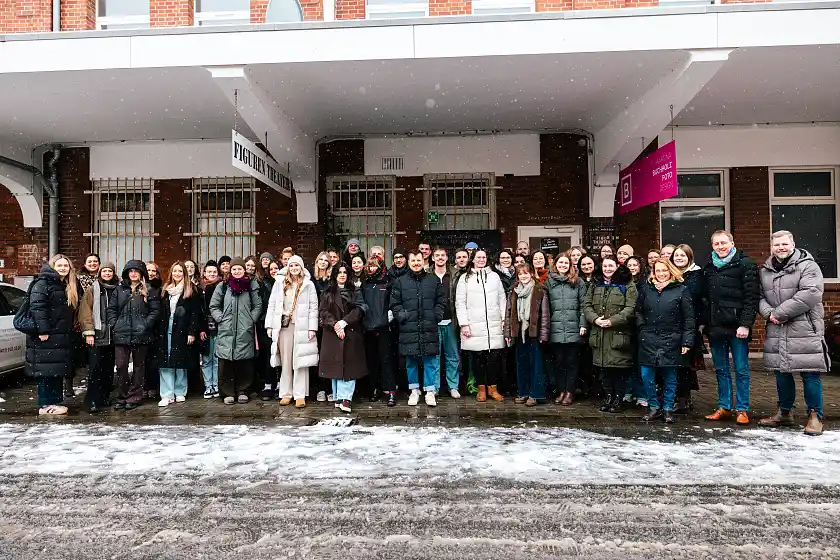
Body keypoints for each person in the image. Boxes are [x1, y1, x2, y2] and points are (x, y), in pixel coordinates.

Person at [758, 231, 828, 436]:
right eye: (777, 244)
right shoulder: (765, 269)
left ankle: (815, 416)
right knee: (782, 373)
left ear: (793, 244)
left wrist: (779, 313)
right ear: (772, 247)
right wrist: (770, 314)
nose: (781, 247)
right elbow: (759, 296)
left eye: (785, 244)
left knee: (810, 372)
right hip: (776, 327)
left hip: (805, 328)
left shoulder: (808, 265)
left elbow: (811, 293)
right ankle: (785, 412)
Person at [702, 230, 759, 425]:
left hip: (737, 328)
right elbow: (705, 298)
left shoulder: (746, 264)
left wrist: (745, 324)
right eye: (716, 244)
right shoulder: (709, 268)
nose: (720, 247)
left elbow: (752, 297)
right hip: (716, 327)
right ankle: (724, 407)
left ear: (732, 242)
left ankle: (742, 409)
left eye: (723, 243)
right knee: (721, 369)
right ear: (712, 246)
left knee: (741, 369)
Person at [636, 259, 695, 423]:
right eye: (658, 271)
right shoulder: (646, 289)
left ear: (671, 271)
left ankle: (668, 408)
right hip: (648, 337)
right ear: (653, 272)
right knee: (646, 375)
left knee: (670, 376)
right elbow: (638, 311)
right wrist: (642, 328)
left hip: (672, 338)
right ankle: (654, 407)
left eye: (664, 271)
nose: (661, 274)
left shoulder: (681, 290)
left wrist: (687, 341)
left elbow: (689, 318)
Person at [25, 254, 80, 416]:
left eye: (66, 266)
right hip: (47, 335)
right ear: (53, 267)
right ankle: (45, 405)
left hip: (59, 335)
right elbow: (38, 307)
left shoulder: (63, 284)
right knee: (45, 372)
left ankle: (54, 402)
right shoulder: (43, 283)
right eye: (60, 265)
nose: (63, 268)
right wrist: (43, 330)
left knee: (55, 370)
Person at [391, 250, 446, 407]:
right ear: (409, 262)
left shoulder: (433, 280)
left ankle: (429, 392)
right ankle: (414, 391)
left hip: (429, 326)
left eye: (418, 260)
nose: (416, 263)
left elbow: (441, 301)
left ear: (424, 261)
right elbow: (395, 304)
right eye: (413, 260)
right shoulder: (400, 282)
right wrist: (402, 316)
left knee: (430, 359)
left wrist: (436, 315)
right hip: (409, 327)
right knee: (411, 361)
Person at [584, 256, 637, 413]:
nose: (607, 269)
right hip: (599, 334)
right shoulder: (595, 283)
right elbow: (586, 305)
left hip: (618, 334)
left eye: (611, 266)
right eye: (605, 266)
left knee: (618, 370)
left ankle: (618, 399)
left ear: (617, 266)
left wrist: (613, 321)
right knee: (604, 370)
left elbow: (631, 308)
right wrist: (595, 319)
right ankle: (608, 397)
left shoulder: (627, 283)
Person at [266, 255, 319, 408]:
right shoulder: (279, 283)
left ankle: (300, 394)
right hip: (284, 326)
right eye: (291, 265)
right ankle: (286, 393)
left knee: (301, 361)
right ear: (287, 267)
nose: (294, 268)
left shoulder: (308, 285)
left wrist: (312, 328)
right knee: (286, 360)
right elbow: (272, 304)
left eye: (297, 265)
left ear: (301, 268)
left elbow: (313, 307)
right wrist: (270, 325)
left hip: (301, 326)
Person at [108, 260, 161, 410]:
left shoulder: (149, 289)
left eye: (136, 271)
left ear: (141, 273)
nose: (133, 274)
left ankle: (134, 396)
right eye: (130, 271)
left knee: (139, 367)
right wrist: (115, 324)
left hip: (141, 334)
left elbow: (155, 311)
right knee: (121, 366)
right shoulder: (120, 290)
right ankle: (123, 395)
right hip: (122, 333)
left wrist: (145, 325)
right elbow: (111, 309)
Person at [456, 249, 507, 402]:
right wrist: (464, 324)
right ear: (473, 259)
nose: (481, 260)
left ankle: (493, 388)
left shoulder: (494, 277)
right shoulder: (464, 278)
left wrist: (504, 318)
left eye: (484, 257)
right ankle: (481, 389)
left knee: (494, 358)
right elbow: (460, 303)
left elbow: (501, 299)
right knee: (478, 359)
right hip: (473, 325)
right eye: (478, 257)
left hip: (494, 324)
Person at [209, 257, 262, 405]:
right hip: (226, 329)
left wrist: (250, 320)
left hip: (244, 329)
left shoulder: (251, 285)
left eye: (239, 268)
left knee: (244, 362)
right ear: (230, 271)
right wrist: (221, 318)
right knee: (226, 363)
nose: (237, 271)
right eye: (234, 269)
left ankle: (242, 391)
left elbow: (258, 305)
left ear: (244, 270)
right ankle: (227, 392)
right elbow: (214, 305)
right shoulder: (223, 286)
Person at [319, 262, 368, 413]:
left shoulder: (355, 291)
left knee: (349, 366)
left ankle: (346, 397)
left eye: (344, 272)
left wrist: (344, 322)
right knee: (336, 366)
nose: (342, 275)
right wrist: (335, 324)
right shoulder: (327, 291)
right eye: (339, 272)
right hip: (332, 333)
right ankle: (338, 396)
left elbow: (360, 309)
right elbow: (323, 312)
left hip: (350, 332)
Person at [545, 252, 587, 406]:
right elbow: (546, 306)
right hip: (555, 328)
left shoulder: (578, 282)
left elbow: (584, 304)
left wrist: (583, 323)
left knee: (572, 361)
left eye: (566, 263)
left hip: (574, 327)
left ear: (570, 266)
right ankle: (561, 390)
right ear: (555, 264)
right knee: (559, 362)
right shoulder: (549, 282)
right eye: (560, 263)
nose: (563, 265)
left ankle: (570, 392)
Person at [504, 262, 549, 406]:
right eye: (520, 274)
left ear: (531, 274)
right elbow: (509, 312)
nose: (523, 276)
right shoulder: (514, 291)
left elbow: (545, 314)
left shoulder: (539, 290)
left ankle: (535, 394)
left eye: (526, 273)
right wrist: (508, 331)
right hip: (519, 332)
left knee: (536, 365)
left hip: (533, 332)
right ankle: (523, 392)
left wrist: (543, 335)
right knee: (521, 364)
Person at [157, 262, 199, 407]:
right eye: (174, 271)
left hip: (182, 329)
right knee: (166, 361)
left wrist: (192, 332)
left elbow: (195, 314)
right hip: (166, 329)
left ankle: (180, 391)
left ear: (184, 273)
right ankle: (166, 394)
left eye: (180, 271)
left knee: (180, 361)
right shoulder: (165, 290)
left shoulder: (191, 290)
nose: (177, 274)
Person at [78, 261, 118, 413]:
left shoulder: (118, 289)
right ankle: (92, 400)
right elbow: (85, 311)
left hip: (113, 336)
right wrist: (89, 332)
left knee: (108, 369)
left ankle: (104, 397)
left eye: (110, 271)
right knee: (95, 369)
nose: (107, 273)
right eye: (104, 271)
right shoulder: (93, 289)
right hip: (97, 335)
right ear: (100, 273)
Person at [671, 244, 704, 412]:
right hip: (671, 324)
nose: (679, 258)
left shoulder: (696, 274)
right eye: (676, 255)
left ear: (689, 257)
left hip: (689, 325)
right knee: (674, 363)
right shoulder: (670, 273)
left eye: (683, 255)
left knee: (686, 363)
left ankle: (684, 398)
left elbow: (690, 295)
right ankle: (677, 396)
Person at [362, 255, 397, 405]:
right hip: (368, 328)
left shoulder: (388, 283)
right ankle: (373, 388)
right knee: (372, 360)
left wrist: (389, 316)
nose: (371, 268)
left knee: (386, 360)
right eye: (369, 266)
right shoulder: (365, 284)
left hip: (384, 327)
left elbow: (393, 302)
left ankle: (390, 391)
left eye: (374, 265)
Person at [432, 247, 460, 399]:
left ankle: (453, 386)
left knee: (452, 356)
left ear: (447, 258)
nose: (440, 258)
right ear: (432, 258)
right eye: (437, 255)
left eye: (443, 255)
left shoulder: (454, 274)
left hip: (451, 321)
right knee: (434, 356)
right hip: (433, 322)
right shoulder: (427, 275)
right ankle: (434, 387)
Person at [249, 255, 276, 400]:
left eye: (275, 268)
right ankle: (268, 383)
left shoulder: (283, 282)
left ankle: (277, 384)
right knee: (266, 355)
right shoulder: (261, 282)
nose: (273, 271)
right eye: (271, 269)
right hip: (265, 324)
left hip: (281, 323)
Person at [310, 251, 333, 403]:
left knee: (329, 356)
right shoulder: (311, 280)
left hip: (329, 322)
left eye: (326, 260)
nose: (323, 262)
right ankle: (319, 388)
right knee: (316, 357)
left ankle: (329, 388)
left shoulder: (332, 281)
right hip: (314, 322)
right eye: (321, 260)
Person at [200, 261, 221, 399]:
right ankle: (208, 386)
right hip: (205, 328)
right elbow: (200, 311)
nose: (212, 274)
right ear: (204, 274)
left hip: (219, 327)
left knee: (217, 358)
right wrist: (201, 329)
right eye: (209, 272)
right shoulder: (201, 289)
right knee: (207, 359)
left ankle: (217, 385)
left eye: (214, 272)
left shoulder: (221, 287)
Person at [143, 260, 162, 401]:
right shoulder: (135, 286)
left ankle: (152, 386)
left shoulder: (159, 288)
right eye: (148, 270)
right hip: (138, 328)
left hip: (154, 328)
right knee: (140, 360)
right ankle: (142, 386)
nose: (150, 273)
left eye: (153, 271)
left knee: (153, 360)